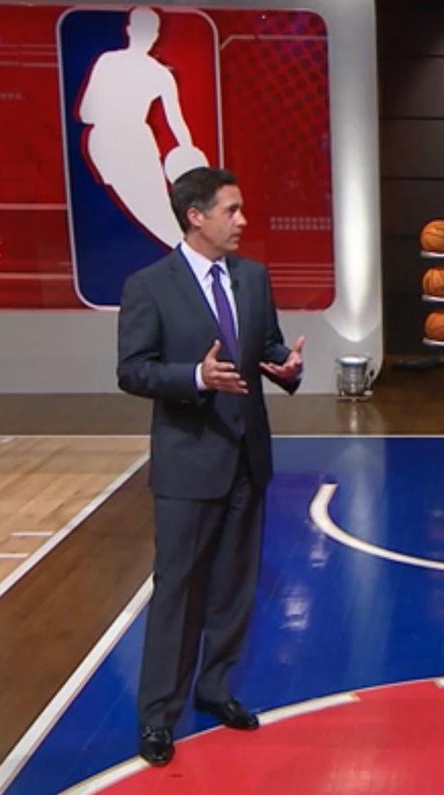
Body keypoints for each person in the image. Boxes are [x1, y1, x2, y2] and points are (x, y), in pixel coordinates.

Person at [117, 167, 304, 766]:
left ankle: (215, 687)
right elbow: (133, 369)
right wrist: (195, 377)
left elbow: (266, 347)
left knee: (233, 587)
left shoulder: (253, 277)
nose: (243, 220)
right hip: (188, 466)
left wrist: (286, 366)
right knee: (178, 591)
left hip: (247, 458)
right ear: (195, 216)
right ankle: (157, 716)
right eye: (231, 210)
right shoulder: (150, 286)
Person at [78, 7, 205, 247]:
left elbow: (87, 113)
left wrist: (188, 155)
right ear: (153, 35)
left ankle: (187, 253)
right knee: (149, 210)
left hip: (122, 141)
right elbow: (175, 121)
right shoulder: (155, 73)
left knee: (153, 210)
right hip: (121, 142)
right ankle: (186, 252)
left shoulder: (112, 63)